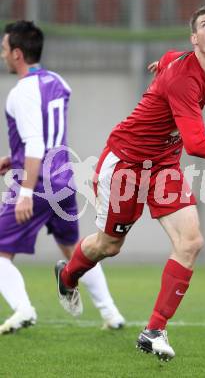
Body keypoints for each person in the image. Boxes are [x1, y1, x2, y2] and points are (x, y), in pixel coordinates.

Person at [54, 6, 205, 361]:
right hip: (126, 162)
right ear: (195, 38)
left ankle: (153, 330)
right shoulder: (185, 79)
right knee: (109, 246)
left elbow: (172, 56)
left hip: (164, 164)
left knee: (191, 242)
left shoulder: (199, 63)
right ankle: (67, 275)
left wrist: (161, 62)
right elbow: (198, 144)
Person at [0, 20, 125, 334]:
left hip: (38, 183)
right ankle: (112, 314)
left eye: (4, 49)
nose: (2, 55)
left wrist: (26, 191)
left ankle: (24, 309)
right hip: (63, 179)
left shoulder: (21, 92)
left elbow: (35, 143)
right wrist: (11, 160)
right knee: (74, 250)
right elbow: (46, 134)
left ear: (17, 53)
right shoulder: (59, 82)